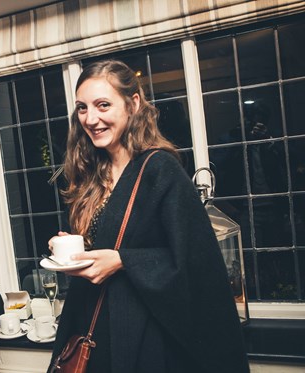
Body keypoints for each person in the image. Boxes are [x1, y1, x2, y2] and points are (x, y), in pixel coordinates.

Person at [48, 60, 249, 373]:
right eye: (82, 108)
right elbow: (105, 242)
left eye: (103, 105)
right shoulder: (92, 174)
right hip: (96, 329)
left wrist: (123, 260)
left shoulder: (160, 170)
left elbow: (196, 264)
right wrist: (73, 250)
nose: (91, 118)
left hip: (145, 337)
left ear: (133, 104)